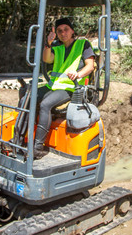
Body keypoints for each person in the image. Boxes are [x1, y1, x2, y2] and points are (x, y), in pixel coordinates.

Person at [33, 17, 95, 159]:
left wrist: (78, 74)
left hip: (71, 88)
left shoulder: (83, 45)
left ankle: (37, 148)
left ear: (72, 31)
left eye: (66, 29)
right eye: (60, 30)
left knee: (45, 105)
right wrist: (48, 43)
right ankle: (18, 137)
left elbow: (90, 66)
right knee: (27, 98)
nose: (63, 33)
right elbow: (47, 59)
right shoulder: (57, 47)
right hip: (54, 86)